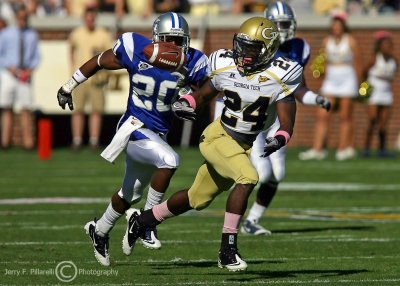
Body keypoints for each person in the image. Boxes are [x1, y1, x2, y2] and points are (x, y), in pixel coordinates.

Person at [122, 17, 303, 271]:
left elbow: (287, 123)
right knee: (248, 177)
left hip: (244, 144)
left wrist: (280, 138)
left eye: (253, 49)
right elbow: (203, 94)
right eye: (242, 46)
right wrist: (186, 104)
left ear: (269, 50)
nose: (245, 54)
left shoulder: (282, 74)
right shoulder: (224, 63)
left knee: (197, 198)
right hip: (217, 136)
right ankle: (227, 250)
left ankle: (142, 221)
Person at [56, 12, 209, 266]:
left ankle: (100, 230)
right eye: (168, 40)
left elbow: (201, 93)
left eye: (178, 40)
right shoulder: (136, 48)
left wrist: (190, 102)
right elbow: (100, 60)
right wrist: (68, 86)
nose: (173, 46)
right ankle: (147, 223)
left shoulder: (193, 61)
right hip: (133, 127)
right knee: (170, 159)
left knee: (130, 194)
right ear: (157, 38)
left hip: (157, 134)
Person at [240, 1, 331, 236]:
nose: (284, 28)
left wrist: (315, 99)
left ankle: (252, 221)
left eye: (286, 24)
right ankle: (233, 222)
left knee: (277, 175)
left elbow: (298, 88)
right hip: (253, 117)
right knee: (263, 173)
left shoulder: (298, 48)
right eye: (278, 24)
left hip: (276, 118)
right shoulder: (255, 46)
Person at [299, 11, 362, 161]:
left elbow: (358, 62)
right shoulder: (327, 41)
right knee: (322, 114)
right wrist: (319, 70)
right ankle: (317, 149)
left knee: (345, 116)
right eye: (334, 25)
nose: (336, 28)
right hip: (331, 80)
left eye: (339, 25)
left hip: (347, 77)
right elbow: (322, 61)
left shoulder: (351, 41)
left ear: (343, 27)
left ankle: (343, 149)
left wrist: (359, 84)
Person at [68, 6, 114, 150]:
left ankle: (94, 140)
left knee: (96, 110)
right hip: (81, 77)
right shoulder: (77, 33)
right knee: (78, 110)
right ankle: (77, 140)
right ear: (84, 18)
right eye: (87, 18)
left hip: (97, 78)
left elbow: (110, 53)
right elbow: (71, 49)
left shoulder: (103, 34)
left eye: (92, 18)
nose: (90, 20)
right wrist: (73, 67)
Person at [0, 5, 40, 150]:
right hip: (9, 74)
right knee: (6, 108)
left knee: (26, 108)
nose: (23, 20)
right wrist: (9, 67)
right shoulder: (6, 34)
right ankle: (5, 142)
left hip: (24, 74)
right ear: (16, 17)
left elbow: (36, 56)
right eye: (21, 17)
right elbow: (1, 54)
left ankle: (28, 143)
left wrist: (30, 69)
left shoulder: (32, 34)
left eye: (25, 17)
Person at [363, 31, 397, 157]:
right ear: (380, 46)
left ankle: (382, 149)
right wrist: (365, 88)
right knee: (372, 120)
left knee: (384, 123)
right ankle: (366, 147)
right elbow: (364, 71)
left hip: (386, 92)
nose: (387, 47)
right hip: (374, 91)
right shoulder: (375, 59)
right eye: (384, 45)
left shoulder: (394, 61)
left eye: (389, 45)